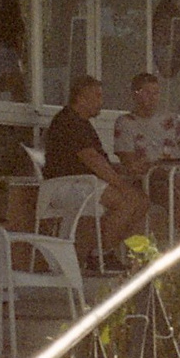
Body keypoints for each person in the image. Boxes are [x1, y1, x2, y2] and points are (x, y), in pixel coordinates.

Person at [41, 75, 149, 264]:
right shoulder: (69, 121)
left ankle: (130, 257)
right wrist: (122, 185)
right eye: (97, 96)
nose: (101, 102)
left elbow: (101, 162)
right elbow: (92, 160)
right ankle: (100, 254)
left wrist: (127, 169)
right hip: (65, 186)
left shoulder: (83, 123)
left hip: (84, 183)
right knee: (127, 201)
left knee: (141, 201)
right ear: (81, 99)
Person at [113, 70, 180, 236]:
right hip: (149, 182)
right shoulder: (125, 123)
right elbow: (129, 163)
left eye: (156, 93)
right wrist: (158, 171)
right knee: (173, 197)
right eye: (147, 93)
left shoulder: (170, 120)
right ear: (136, 94)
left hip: (178, 178)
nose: (152, 98)